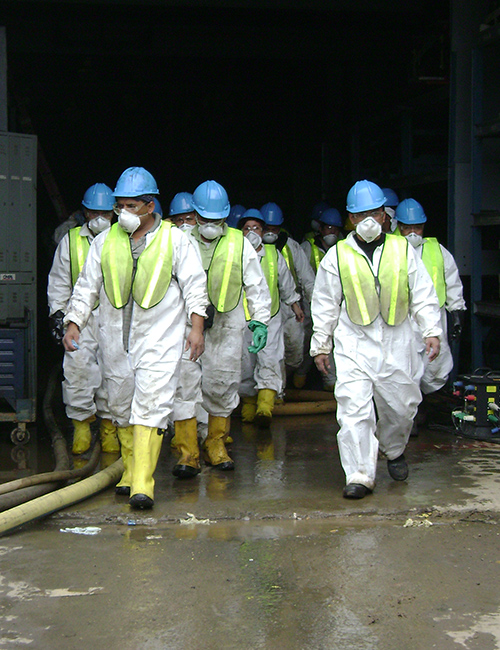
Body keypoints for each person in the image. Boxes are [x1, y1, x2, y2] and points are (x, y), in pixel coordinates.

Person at [62, 167, 208, 509]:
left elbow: (194, 286)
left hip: (160, 337)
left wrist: (197, 328)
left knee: (152, 406)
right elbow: (86, 287)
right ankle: (130, 472)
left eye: (131, 206)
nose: (124, 213)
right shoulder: (105, 242)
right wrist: (74, 323)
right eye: (120, 206)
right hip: (115, 338)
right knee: (121, 405)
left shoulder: (175, 240)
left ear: (149, 205)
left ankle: (143, 484)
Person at [311, 180, 442, 499]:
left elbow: (422, 293)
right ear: (351, 219)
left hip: (397, 341)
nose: (367, 220)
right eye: (359, 215)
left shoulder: (403, 250)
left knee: (401, 407)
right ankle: (359, 474)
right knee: (353, 409)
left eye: (373, 212)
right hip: (354, 341)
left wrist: (431, 329)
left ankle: (394, 450)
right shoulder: (337, 256)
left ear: (385, 215)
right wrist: (321, 344)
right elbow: (326, 301)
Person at [172, 181, 271, 477]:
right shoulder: (177, 239)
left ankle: (215, 444)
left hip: (227, 323)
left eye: (217, 220)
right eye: (204, 219)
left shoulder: (239, 243)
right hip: (186, 324)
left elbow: (256, 284)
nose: (210, 225)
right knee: (184, 384)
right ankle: (187, 452)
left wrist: (260, 319)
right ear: (195, 215)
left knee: (223, 383)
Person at [48, 183, 119, 456]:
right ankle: (81, 426)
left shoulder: (123, 239)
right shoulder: (71, 240)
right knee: (77, 373)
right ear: (84, 212)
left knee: (114, 375)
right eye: (94, 213)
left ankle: (110, 427)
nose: (100, 219)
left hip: (113, 318)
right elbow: (59, 282)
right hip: (80, 320)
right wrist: (58, 314)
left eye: (105, 213)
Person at [239, 208, 304, 426]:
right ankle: (248, 403)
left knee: (270, 359)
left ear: (264, 230)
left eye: (255, 227)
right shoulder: (237, 253)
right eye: (246, 228)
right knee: (245, 363)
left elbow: (285, 284)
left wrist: (295, 304)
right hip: (243, 319)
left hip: (270, 318)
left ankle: (265, 407)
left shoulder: (273, 254)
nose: (251, 232)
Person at [395, 198, 466, 395]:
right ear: (398, 226)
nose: (412, 233)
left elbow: (452, 282)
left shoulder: (438, 251)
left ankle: (428, 405)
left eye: (417, 227)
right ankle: (411, 410)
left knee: (435, 363)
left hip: (434, 316)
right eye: (407, 227)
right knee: (403, 365)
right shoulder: (390, 250)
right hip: (402, 318)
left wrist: (457, 311)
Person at [260, 202, 315, 385]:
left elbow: (306, 277)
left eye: (273, 228)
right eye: (266, 227)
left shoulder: (290, 246)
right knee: (269, 352)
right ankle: (277, 390)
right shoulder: (252, 248)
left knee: (294, 350)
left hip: (290, 305)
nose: (269, 232)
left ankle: (286, 380)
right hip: (263, 306)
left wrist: (312, 304)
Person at [297, 207, 344, 390]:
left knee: (335, 340)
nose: (331, 232)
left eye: (335, 228)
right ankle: (301, 375)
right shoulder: (307, 247)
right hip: (310, 304)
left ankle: (330, 382)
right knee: (309, 341)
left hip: (337, 302)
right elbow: (302, 277)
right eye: (328, 228)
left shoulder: (344, 249)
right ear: (321, 228)